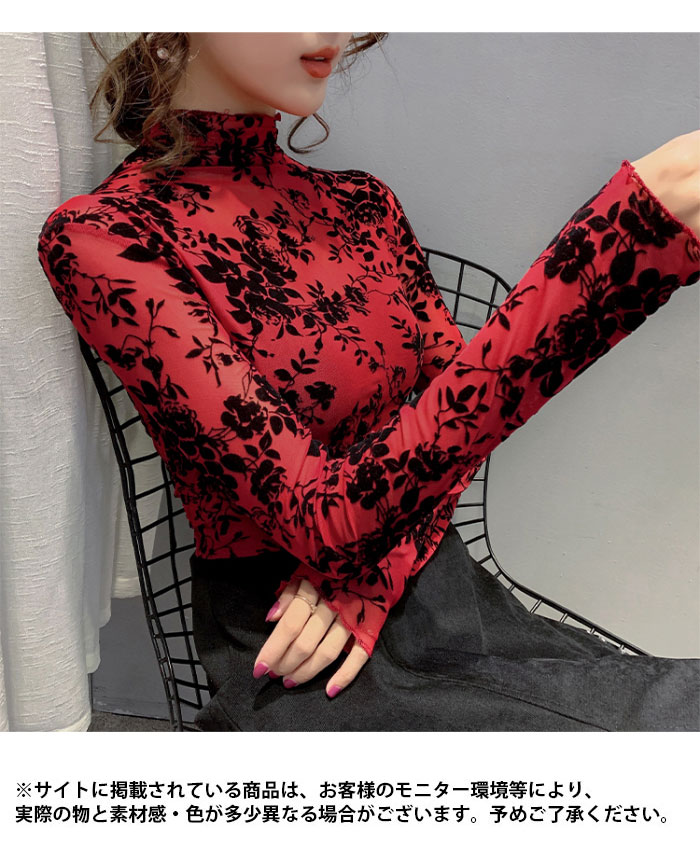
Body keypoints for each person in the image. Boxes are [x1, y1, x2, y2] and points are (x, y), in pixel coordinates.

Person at [37, 33, 700, 731]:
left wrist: (379, 572)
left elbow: (456, 424)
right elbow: (316, 518)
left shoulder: (362, 205)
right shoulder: (107, 236)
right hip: (300, 644)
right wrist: (606, 260)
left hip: (437, 583)